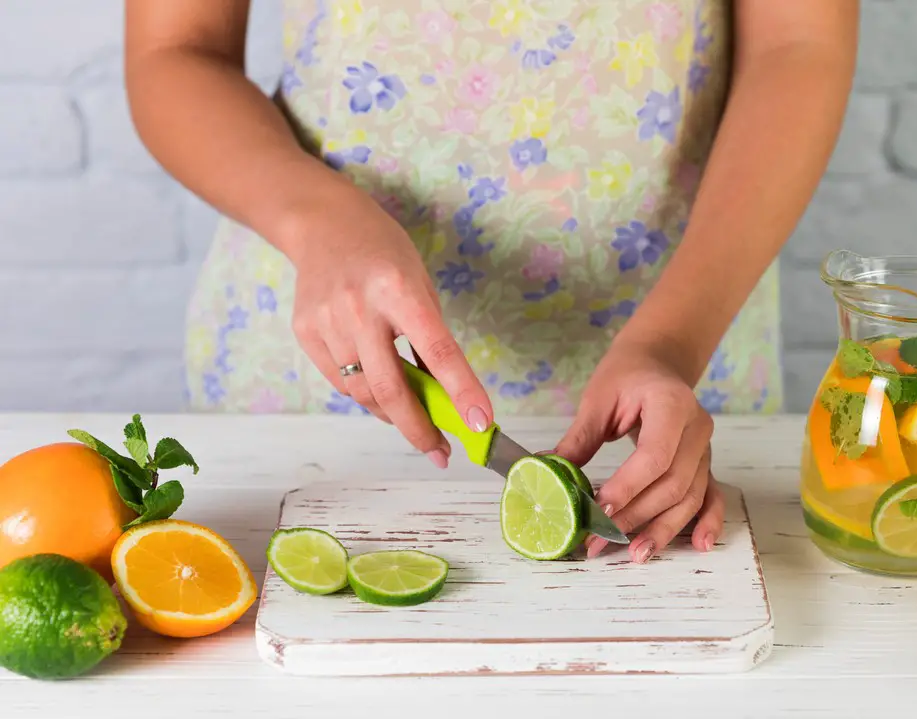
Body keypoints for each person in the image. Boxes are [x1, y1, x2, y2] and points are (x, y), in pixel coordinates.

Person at [125, 1, 858, 563]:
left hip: (681, 369)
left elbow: (798, 46)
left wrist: (671, 342)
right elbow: (175, 51)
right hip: (313, 378)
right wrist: (316, 219)